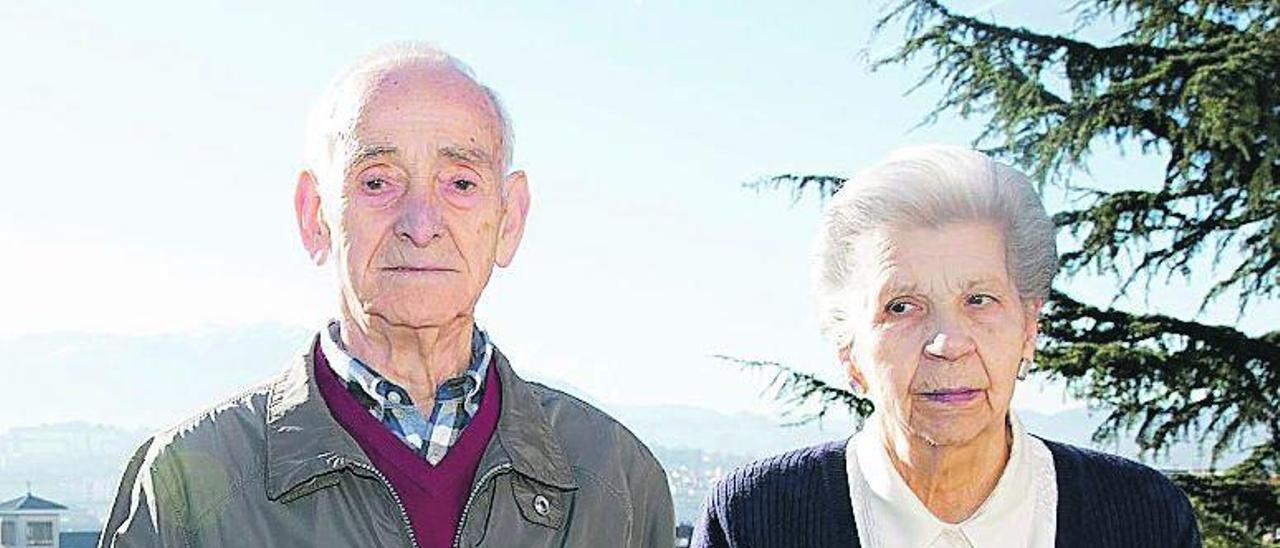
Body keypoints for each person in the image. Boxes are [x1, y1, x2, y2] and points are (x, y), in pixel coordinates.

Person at [99, 43, 674, 548]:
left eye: (461, 184)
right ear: (314, 214)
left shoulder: (617, 485)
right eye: (377, 181)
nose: (421, 223)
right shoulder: (186, 486)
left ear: (509, 219)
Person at [691, 146, 1200, 547]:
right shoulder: (754, 522)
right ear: (849, 350)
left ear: (1029, 328)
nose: (947, 343)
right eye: (901, 307)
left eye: (979, 299)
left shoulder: (1145, 518)